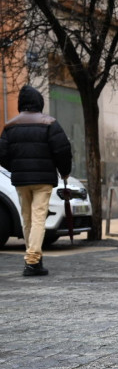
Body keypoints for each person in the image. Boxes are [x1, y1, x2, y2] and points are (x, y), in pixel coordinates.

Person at [0, 85, 72, 276]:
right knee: (39, 217)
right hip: (43, 179)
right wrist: (64, 172)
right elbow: (62, 150)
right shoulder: (49, 123)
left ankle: (35, 259)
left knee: (27, 219)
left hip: (21, 180)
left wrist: (16, 168)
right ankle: (32, 261)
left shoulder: (10, 125)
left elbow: (2, 154)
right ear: (39, 103)